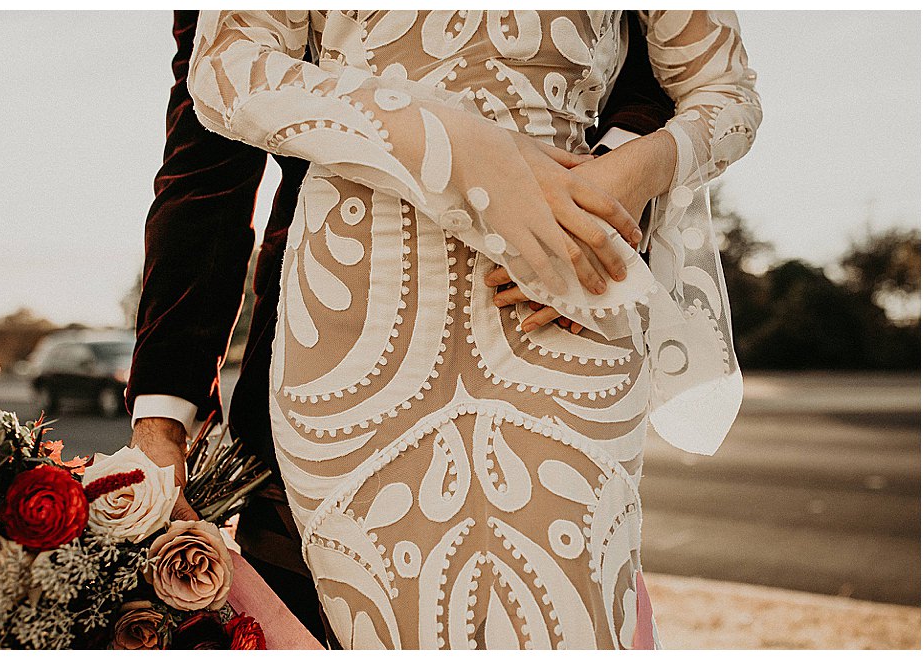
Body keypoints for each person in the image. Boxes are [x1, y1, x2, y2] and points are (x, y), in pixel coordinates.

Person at [145, 9, 761, 649]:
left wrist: (609, 195)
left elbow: (719, 90)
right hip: (354, 319)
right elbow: (221, 82)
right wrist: (461, 148)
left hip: (561, 303)